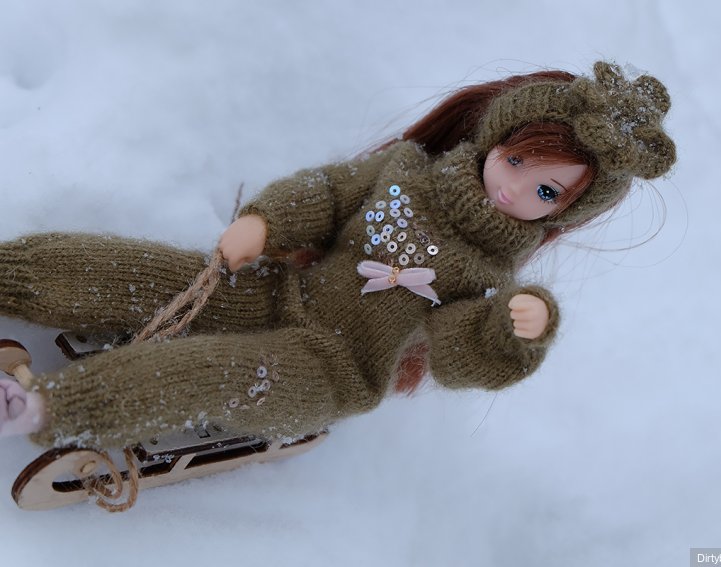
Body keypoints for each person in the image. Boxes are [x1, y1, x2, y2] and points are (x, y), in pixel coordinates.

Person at [0, 61, 675, 448]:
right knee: (146, 273)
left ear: (563, 211)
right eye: (518, 160)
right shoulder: (403, 170)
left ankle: (46, 407)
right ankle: (13, 274)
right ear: (493, 139)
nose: (515, 189)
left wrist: (516, 326)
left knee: (213, 374)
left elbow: (461, 346)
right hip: (279, 293)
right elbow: (327, 193)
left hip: (333, 369)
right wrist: (266, 222)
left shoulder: (485, 278)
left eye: (546, 190)